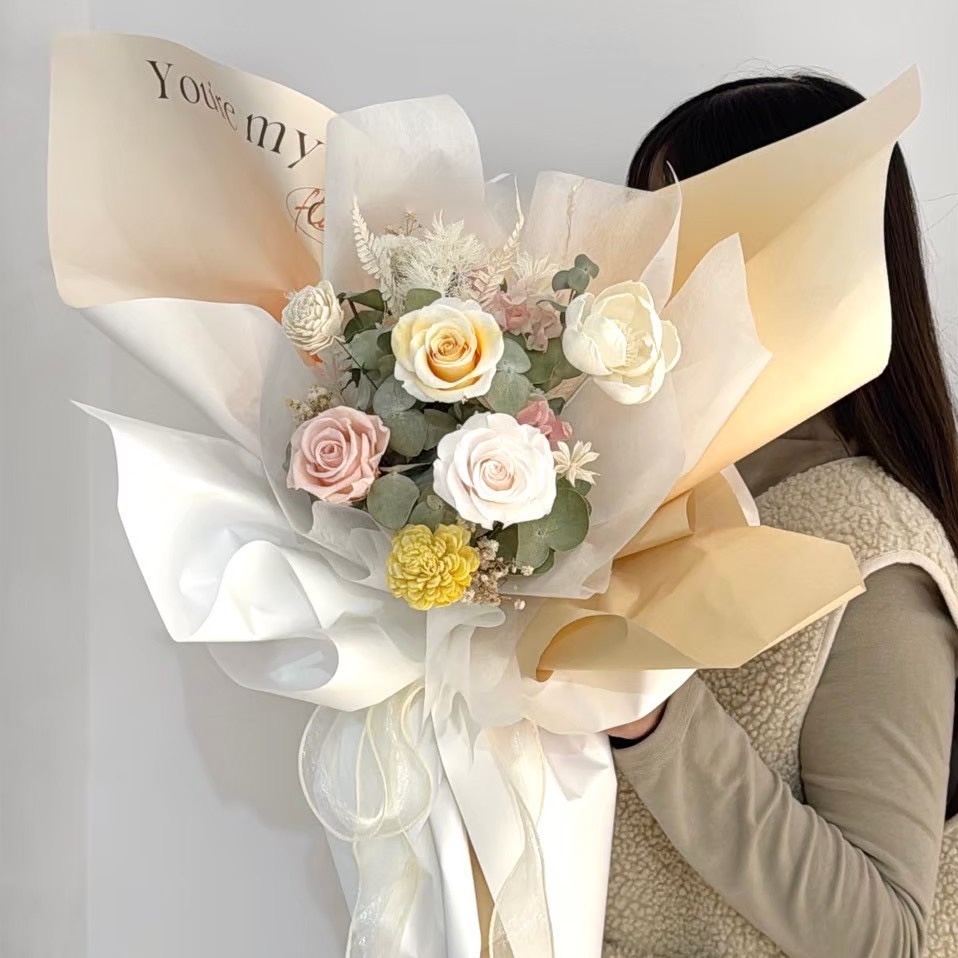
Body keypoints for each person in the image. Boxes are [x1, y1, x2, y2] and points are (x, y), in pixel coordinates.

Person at [603, 73, 958, 958]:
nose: (644, 272)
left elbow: (883, 934)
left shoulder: (874, 545)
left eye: (681, 231)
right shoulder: (644, 491)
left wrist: (651, 714)